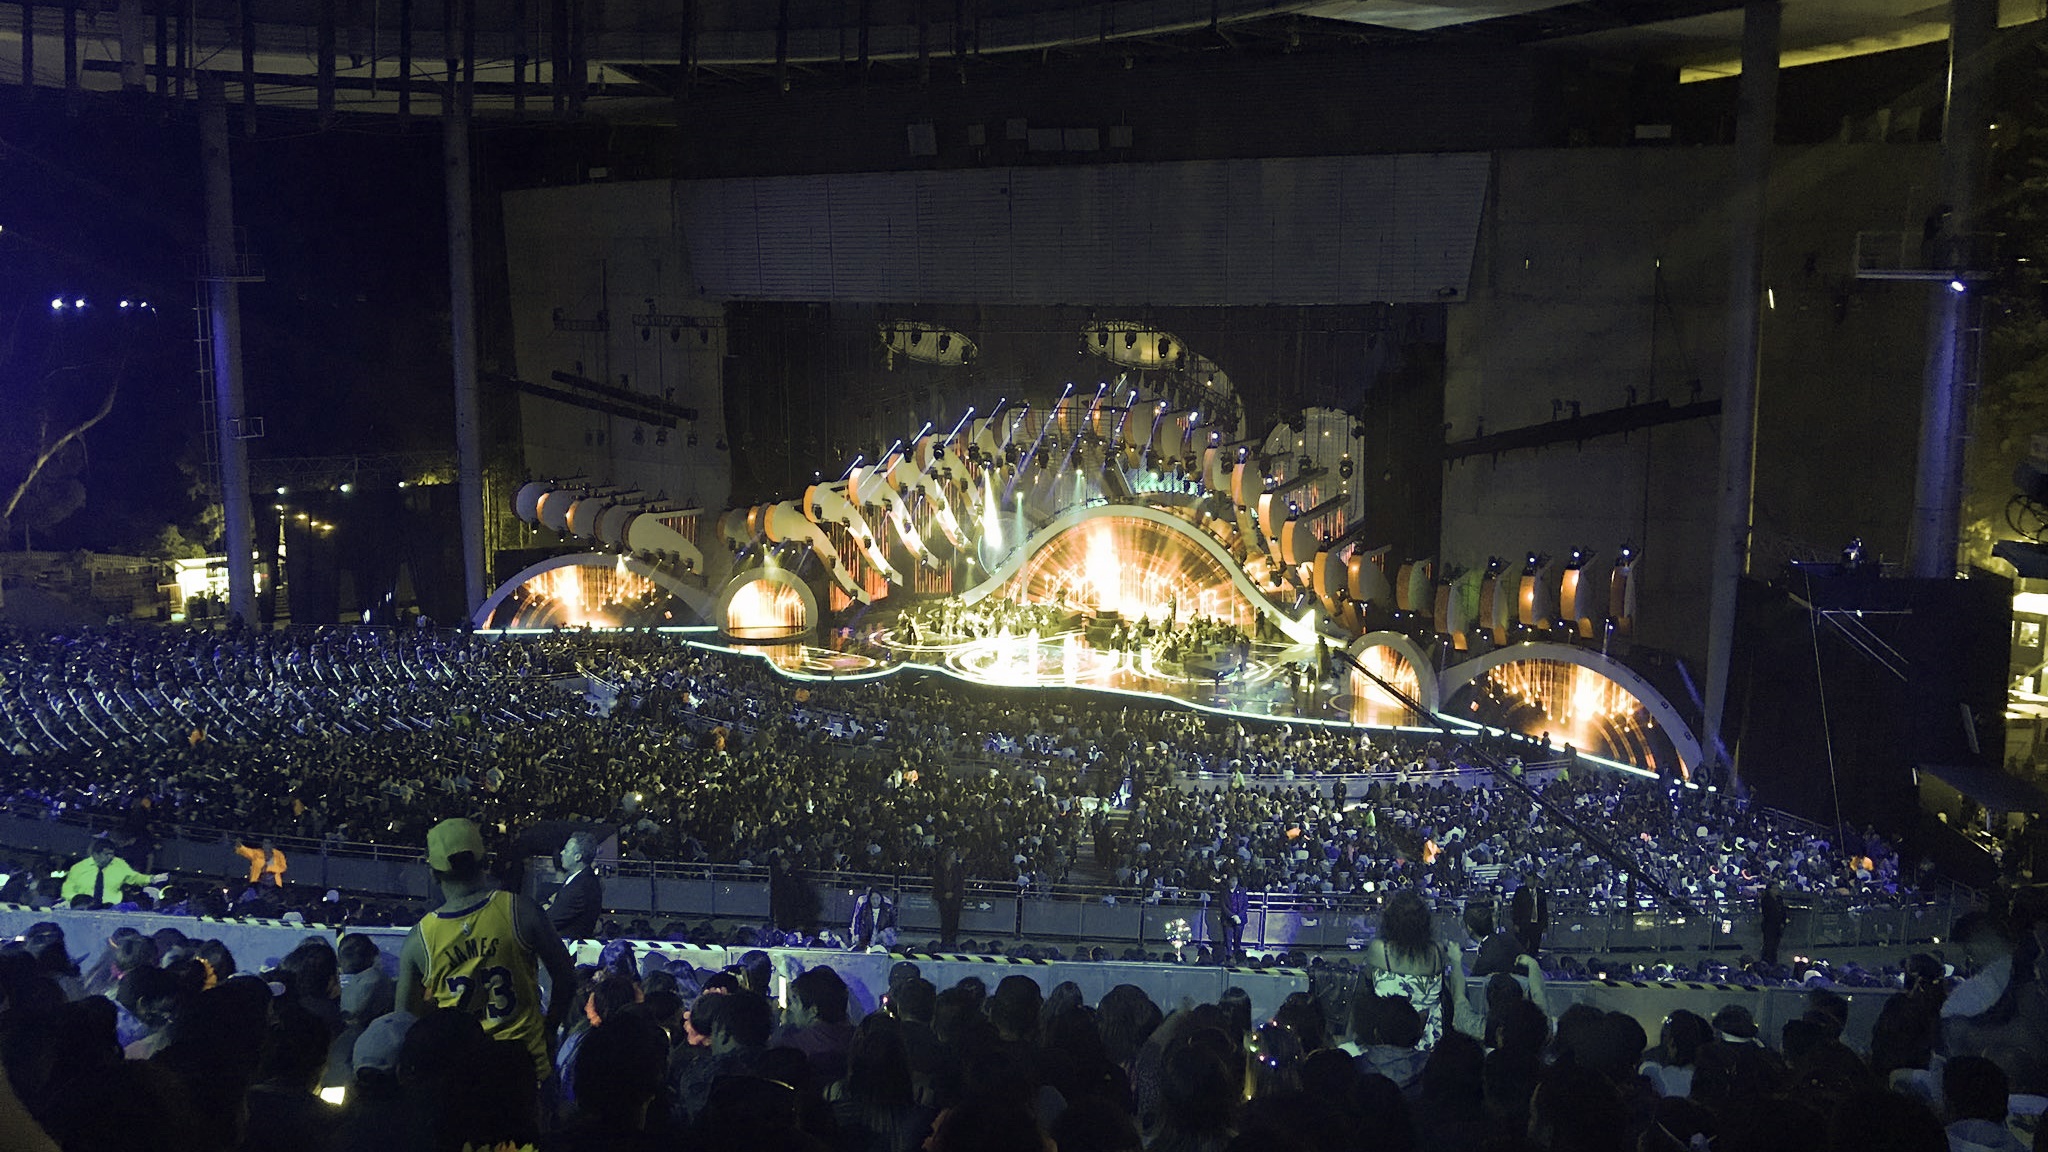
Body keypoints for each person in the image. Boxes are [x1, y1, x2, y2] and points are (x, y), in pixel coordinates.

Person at [396, 817, 579, 1083]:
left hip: (458, 1077)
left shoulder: (418, 939)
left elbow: (404, 1020)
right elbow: (566, 978)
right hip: (524, 1071)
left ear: (434, 873)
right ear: (485, 862)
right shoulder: (520, 911)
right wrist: (549, 1029)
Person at [1364, 887, 1466, 1049]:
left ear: (1390, 921)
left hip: (1388, 1039)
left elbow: (1368, 981)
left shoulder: (1379, 950)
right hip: (1430, 1041)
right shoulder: (1437, 951)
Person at [60, 836, 161, 908]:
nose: (111, 857)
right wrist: (79, 901)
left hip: (112, 908)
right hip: (85, 908)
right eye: (106, 854)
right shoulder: (78, 868)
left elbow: (134, 878)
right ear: (95, 855)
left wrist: (151, 879)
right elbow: (67, 891)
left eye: (112, 854)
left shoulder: (119, 864)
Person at [544, 832, 604, 939]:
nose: (562, 853)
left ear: (577, 857)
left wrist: (546, 908)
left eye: (566, 850)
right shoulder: (579, 880)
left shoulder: (581, 887)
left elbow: (550, 920)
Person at [933, 848, 967, 948]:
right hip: (943, 899)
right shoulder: (940, 869)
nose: (954, 858)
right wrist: (943, 894)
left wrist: (954, 893)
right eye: (952, 855)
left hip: (955, 898)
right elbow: (937, 883)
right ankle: (944, 940)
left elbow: (960, 883)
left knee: (954, 920)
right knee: (945, 920)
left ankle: (952, 941)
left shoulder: (958, 868)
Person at [1511, 874, 1548, 960]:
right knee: (1521, 946)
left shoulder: (1541, 893)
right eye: (1527, 880)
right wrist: (1516, 923)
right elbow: (1516, 908)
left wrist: (1545, 926)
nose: (1528, 882)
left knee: (1534, 946)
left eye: (1530, 880)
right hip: (1523, 924)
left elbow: (1544, 910)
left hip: (1536, 924)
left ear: (1535, 881)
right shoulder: (1520, 891)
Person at [852, 886, 898, 951]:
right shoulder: (864, 910)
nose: (875, 901)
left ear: (881, 898)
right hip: (865, 943)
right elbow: (857, 923)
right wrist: (856, 936)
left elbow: (893, 926)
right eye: (873, 899)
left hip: (883, 945)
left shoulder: (888, 911)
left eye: (877, 898)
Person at [1760, 880, 1788, 966]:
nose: (1776, 890)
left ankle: (1773, 961)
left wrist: (1783, 921)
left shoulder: (1779, 899)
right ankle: (1766, 961)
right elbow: (1767, 913)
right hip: (1769, 925)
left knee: (1776, 944)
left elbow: (1783, 910)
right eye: (1774, 888)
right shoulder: (1766, 899)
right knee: (1769, 943)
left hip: (1778, 926)